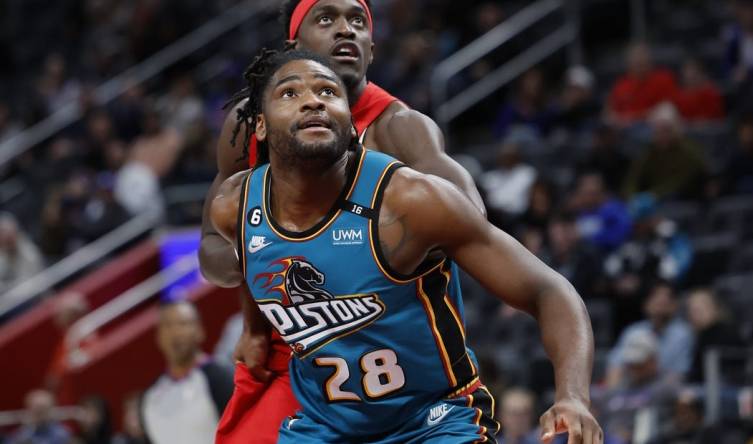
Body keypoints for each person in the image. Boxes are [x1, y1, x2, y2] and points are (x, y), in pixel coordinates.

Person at [210, 49, 601, 443]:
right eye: (290, 93)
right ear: (259, 125)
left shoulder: (408, 203)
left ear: (350, 125)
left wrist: (573, 397)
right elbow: (253, 260)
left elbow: (548, 290)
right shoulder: (235, 208)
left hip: (431, 420)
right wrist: (255, 328)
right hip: (324, 428)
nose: (313, 100)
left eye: (328, 92)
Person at [200, 1, 484, 442]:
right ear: (293, 44)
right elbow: (213, 250)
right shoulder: (250, 122)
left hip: (386, 339)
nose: (346, 30)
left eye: (358, 21)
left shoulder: (399, 128)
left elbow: (472, 223)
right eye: (327, 19)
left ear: (372, 48)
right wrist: (257, 316)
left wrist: (362, 245)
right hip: (294, 338)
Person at [140, 301, 233, 444]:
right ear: (158, 336)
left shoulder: (221, 378)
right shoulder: (150, 397)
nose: (176, 332)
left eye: (183, 323)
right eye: (168, 325)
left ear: (200, 331)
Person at [606, 282, 694, 387]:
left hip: (666, 393)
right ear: (645, 304)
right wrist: (613, 398)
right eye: (655, 298)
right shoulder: (633, 330)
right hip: (631, 391)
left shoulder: (683, 333)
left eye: (665, 300)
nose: (660, 303)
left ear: (674, 305)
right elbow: (615, 366)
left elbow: (679, 375)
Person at [623, 102, 707, 200]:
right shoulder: (650, 150)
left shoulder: (690, 152)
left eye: (666, 130)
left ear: (676, 130)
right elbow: (634, 177)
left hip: (682, 199)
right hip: (653, 199)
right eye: (657, 131)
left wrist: (652, 196)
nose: (662, 135)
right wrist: (631, 196)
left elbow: (677, 184)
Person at [606, 42, 678, 126]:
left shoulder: (663, 78)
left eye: (642, 57)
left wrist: (637, 116)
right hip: (626, 128)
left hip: (653, 125)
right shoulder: (621, 84)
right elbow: (610, 112)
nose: (639, 60)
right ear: (628, 62)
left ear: (649, 59)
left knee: (666, 111)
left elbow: (670, 106)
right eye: (636, 58)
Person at [685, 288, 742, 383]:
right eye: (692, 311)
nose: (695, 315)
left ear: (714, 308)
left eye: (699, 310)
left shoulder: (726, 333)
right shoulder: (700, 335)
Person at [7, 389, 71, 444]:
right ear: (29, 409)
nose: (41, 414)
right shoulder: (21, 436)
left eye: (44, 409)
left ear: (52, 409)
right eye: (37, 410)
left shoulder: (63, 434)